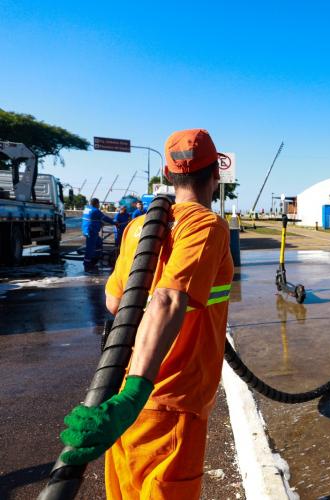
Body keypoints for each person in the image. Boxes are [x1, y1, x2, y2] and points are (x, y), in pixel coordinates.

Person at [58, 129, 234, 499]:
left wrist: (126, 397)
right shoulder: (206, 225)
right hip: (168, 401)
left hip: (121, 399)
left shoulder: (138, 227)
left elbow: (114, 301)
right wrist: (135, 394)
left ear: (168, 175)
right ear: (215, 174)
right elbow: (168, 300)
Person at [82, 197, 115, 269]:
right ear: (96, 204)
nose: (99, 205)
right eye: (98, 204)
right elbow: (105, 218)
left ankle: (95, 259)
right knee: (90, 248)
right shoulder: (95, 211)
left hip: (88, 229)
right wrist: (114, 222)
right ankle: (87, 264)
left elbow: (92, 218)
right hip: (91, 231)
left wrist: (99, 222)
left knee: (99, 243)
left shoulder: (87, 208)